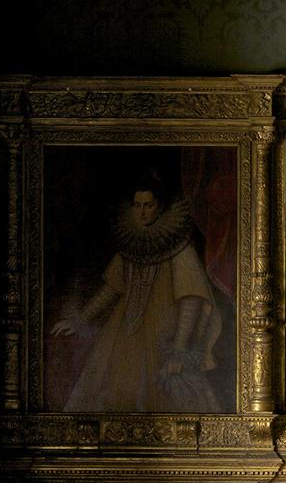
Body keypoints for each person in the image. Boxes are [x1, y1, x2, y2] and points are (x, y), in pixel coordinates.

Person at [50, 174, 223, 413]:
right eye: (137, 205)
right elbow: (111, 290)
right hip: (124, 332)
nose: (142, 212)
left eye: (148, 205)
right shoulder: (129, 247)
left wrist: (179, 351)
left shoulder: (179, 249)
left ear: (160, 208)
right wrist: (81, 319)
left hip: (164, 333)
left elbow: (191, 300)